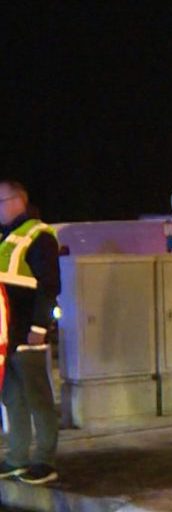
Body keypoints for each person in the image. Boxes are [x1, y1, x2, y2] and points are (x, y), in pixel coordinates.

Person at [0, 181, 61, 485]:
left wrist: (39, 327)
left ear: (16, 201)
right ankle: (17, 458)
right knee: (13, 398)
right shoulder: (5, 238)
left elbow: (49, 285)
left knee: (38, 398)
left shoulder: (39, 235)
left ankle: (45, 461)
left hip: (27, 333)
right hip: (6, 337)